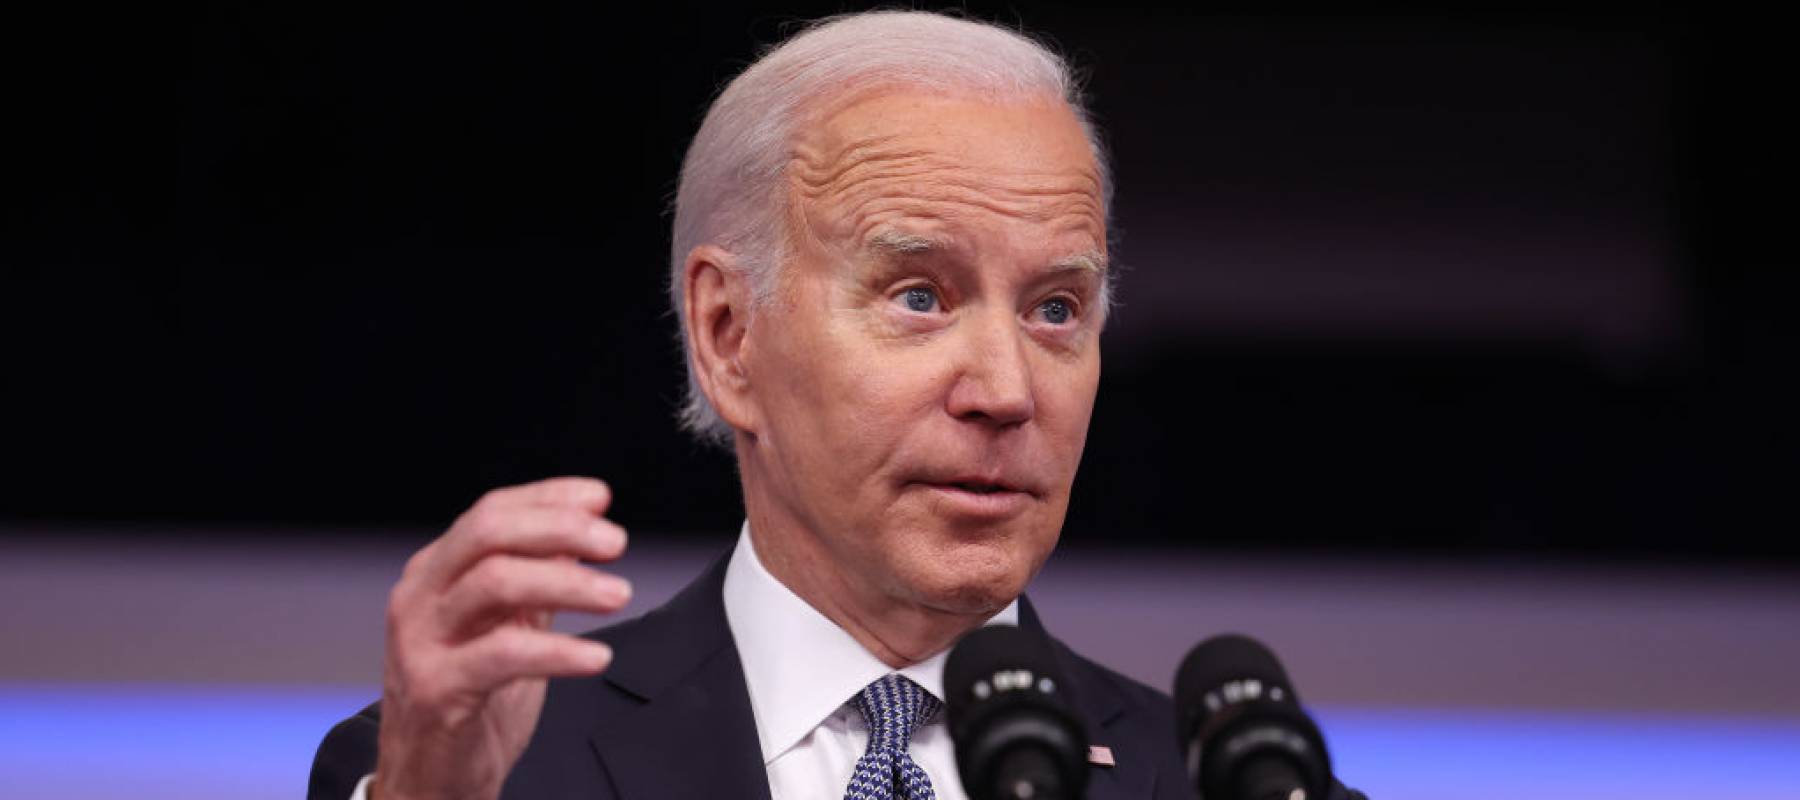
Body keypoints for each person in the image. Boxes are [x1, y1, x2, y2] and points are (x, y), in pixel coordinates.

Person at [310, 11, 1362, 800]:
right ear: (730, 336)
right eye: (919, 295)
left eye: (1055, 307)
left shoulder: (1226, 785)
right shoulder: (470, 772)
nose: (1004, 390)